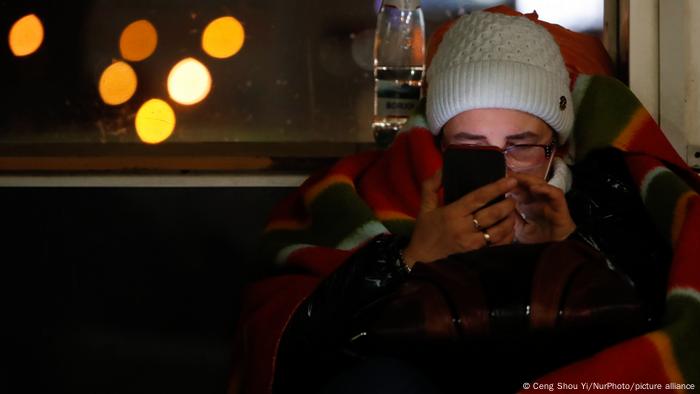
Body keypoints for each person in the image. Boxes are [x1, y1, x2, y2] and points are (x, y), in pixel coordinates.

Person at [254, 10, 673, 394]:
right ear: (439, 146)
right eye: (473, 150)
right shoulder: (380, 196)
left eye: (522, 146)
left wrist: (571, 254)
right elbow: (301, 349)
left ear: (555, 148)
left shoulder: (601, 200)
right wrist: (411, 259)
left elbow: (659, 338)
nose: (504, 171)